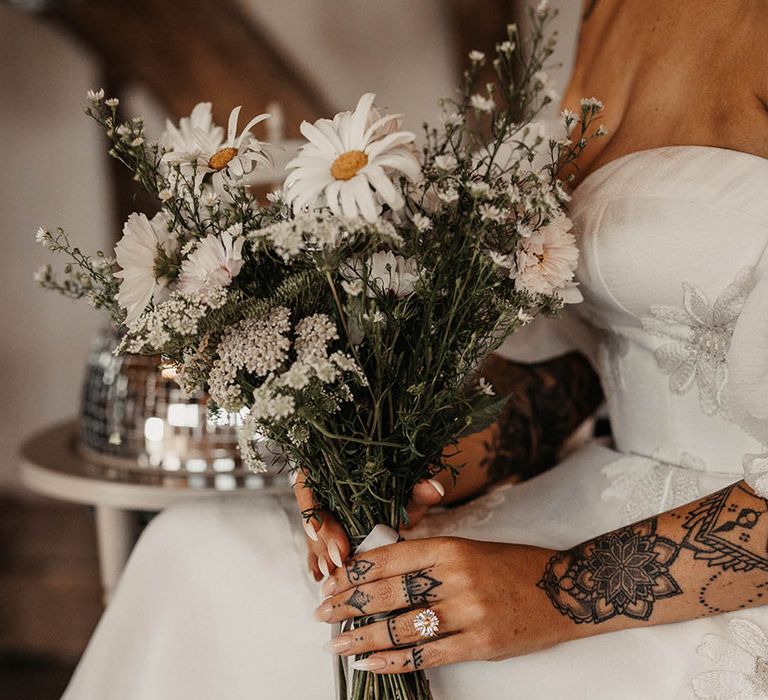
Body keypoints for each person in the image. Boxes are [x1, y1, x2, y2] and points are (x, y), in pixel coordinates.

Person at [63, 1, 768, 697]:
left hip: (720, 571)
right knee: (206, 552)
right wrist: (414, 458)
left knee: (415, 650)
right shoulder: (603, 13)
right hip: (599, 485)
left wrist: (556, 593)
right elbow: (590, 368)